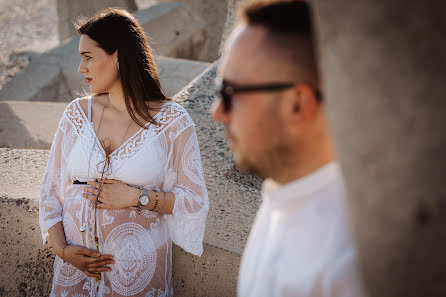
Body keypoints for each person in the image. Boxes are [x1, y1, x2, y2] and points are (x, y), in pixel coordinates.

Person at [39, 8, 209, 297]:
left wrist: (137, 197)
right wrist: (63, 249)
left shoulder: (172, 121)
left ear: (117, 56)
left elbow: (194, 202)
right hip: (74, 271)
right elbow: (50, 193)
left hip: (136, 274)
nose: (82, 68)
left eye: (88, 57)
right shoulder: (77, 114)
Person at [211, 1, 366, 296]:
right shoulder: (281, 192)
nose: (216, 111)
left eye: (229, 93)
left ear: (297, 104)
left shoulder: (348, 266)